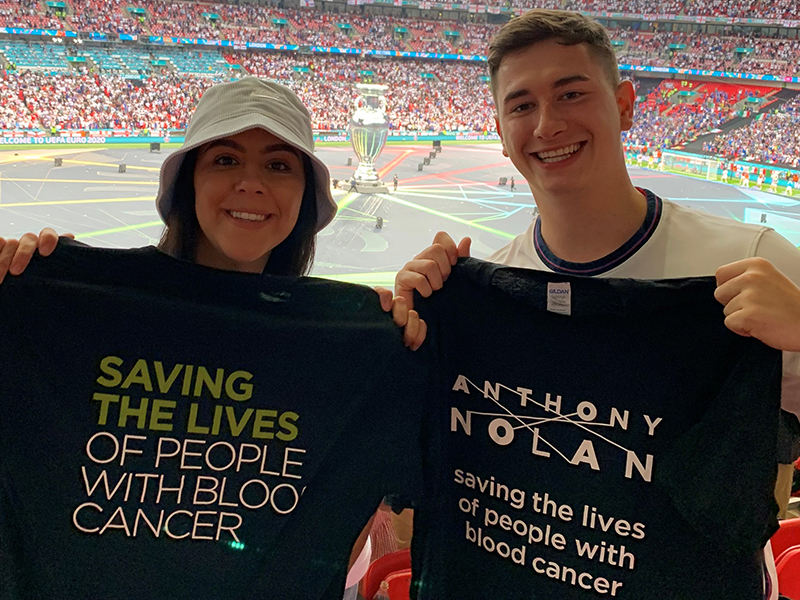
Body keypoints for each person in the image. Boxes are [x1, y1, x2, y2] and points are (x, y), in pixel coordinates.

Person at [393, 9, 800, 598]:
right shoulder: (480, 287)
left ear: (626, 105)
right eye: (522, 105)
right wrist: (407, 332)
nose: (548, 123)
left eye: (571, 93)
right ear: (502, 134)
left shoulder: (751, 262)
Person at [0, 77, 427, 598]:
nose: (251, 183)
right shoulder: (61, 304)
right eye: (225, 160)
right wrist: (33, 290)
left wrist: (397, 334)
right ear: (189, 183)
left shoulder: (359, 341)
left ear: (304, 196)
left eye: (278, 165)